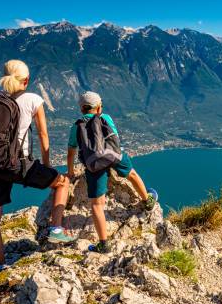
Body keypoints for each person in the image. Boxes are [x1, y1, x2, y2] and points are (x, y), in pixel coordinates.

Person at [0, 60, 75, 270]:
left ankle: (2, 264)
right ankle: (56, 229)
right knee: (63, 183)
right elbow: (43, 135)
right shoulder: (32, 99)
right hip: (18, 165)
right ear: (26, 80)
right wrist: (47, 168)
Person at [67, 91, 156, 253]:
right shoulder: (105, 118)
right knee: (132, 174)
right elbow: (115, 139)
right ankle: (147, 201)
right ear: (99, 107)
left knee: (96, 204)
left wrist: (71, 171)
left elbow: (71, 150)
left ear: (81, 109)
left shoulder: (76, 126)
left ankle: (103, 243)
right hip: (114, 156)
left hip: (94, 164)